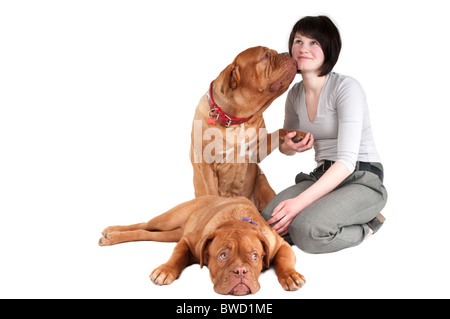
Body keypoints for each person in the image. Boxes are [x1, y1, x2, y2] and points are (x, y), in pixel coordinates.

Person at [261, 16, 388, 254]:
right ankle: (309, 219)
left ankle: (368, 225)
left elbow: (347, 162)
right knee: (267, 221)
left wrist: (298, 204)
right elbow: (287, 146)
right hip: (321, 175)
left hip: (360, 176)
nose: (303, 48)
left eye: (313, 43)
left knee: (307, 231)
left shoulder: (346, 88)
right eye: (298, 41)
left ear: (328, 49)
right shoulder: (295, 94)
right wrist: (289, 145)